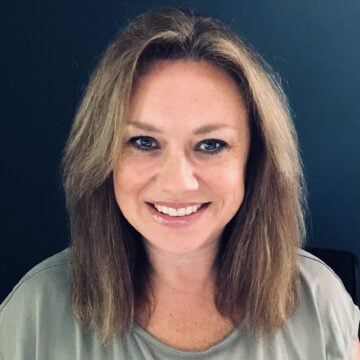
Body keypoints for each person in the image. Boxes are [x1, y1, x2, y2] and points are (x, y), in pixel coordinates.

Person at [1, 7, 359, 359]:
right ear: (103, 157)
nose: (178, 182)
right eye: (143, 142)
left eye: (211, 145)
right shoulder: (37, 310)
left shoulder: (318, 299)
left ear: (254, 162)